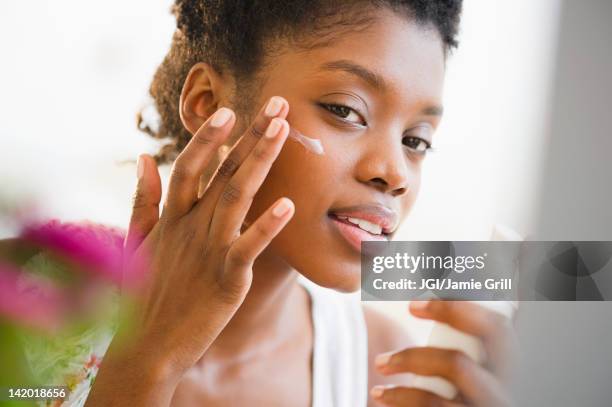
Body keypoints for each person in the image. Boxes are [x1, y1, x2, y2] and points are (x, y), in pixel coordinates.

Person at [6, 1, 516, 406]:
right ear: (208, 103)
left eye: (417, 140)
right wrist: (149, 362)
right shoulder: (26, 296)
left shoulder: (383, 372)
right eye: (346, 110)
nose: (394, 172)